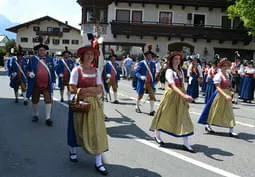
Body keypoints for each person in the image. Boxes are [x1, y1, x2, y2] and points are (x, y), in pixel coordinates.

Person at [67, 45, 109, 175]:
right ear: (82, 56)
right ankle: (73, 151)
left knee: (97, 131)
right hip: (79, 103)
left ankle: (98, 162)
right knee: (76, 129)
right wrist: (89, 90)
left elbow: (99, 89)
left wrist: (85, 90)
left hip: (94, 105)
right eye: (87, 54)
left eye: (92, 54)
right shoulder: (76, 70)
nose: (90, 56)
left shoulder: (96, 71)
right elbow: (72, 88)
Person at [150, 52, 195, 153]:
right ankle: (157, 135)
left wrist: (186, 96)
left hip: (180, 96)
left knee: (184, 117)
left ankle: (186, 143)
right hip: (171, 96)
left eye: (179, 59)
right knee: (164, 115)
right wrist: (184, 95)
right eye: (175, 59)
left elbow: (182, 85)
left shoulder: (181, 71)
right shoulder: (169, 71)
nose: (177, 61)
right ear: (171, 60)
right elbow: (173, 86)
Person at [198, 58, 237, 137]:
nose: (225, 67)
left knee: (229, 112)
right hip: (219, 95)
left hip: (227, 95)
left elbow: (228, 85)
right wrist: (225, 95)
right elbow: (218, 87)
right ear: (220, 67)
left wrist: (231, 89)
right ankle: (208, 125)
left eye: (226, 66)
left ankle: (231, 130)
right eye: (224, 66)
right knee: (214, 111)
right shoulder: (218, 75)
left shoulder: (228, 75)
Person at [26, 42, 56, 126]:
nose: (42, 51)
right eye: (40, 50)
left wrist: (53, 82)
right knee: (35, 100)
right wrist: (29, 74)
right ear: (37, 51)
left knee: (48, 100)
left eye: (43, 50)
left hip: (47, 85)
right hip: (36, 84)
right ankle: (36, 115)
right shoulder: (32, 59)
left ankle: (48, 118)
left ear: (45, 51)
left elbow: (52, 72)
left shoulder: (50, 59)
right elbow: (27, 70)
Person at [135, 45, 156, 116]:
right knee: (140, 95)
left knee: (152, 96)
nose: (150, 56)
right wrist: (141, 76)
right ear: (146, 56)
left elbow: (153, 73)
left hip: (150, 82)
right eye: (148, 55)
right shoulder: (141, 63)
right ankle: (137, 107)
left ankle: (151, 110)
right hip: (142, 82)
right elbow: (136, 72)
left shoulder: (153, 63)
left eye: (151, 55)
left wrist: (154, 81)